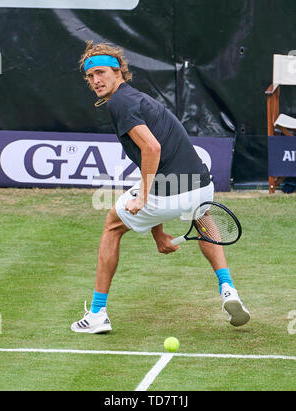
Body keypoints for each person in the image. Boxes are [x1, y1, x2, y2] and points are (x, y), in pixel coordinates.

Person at [71, 42, 250, 334]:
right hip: (201, 186)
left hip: (170, 191)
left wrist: (142, 196)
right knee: (202, 217)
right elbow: (156, 160)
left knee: (112, 226)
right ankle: (228, 288)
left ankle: (97, 314)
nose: (95, 81)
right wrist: (157, 232)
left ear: (118, 73)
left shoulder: (119, 103)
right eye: (90, 77)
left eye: (101, 73)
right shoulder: (137, 98)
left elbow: (151, 149)